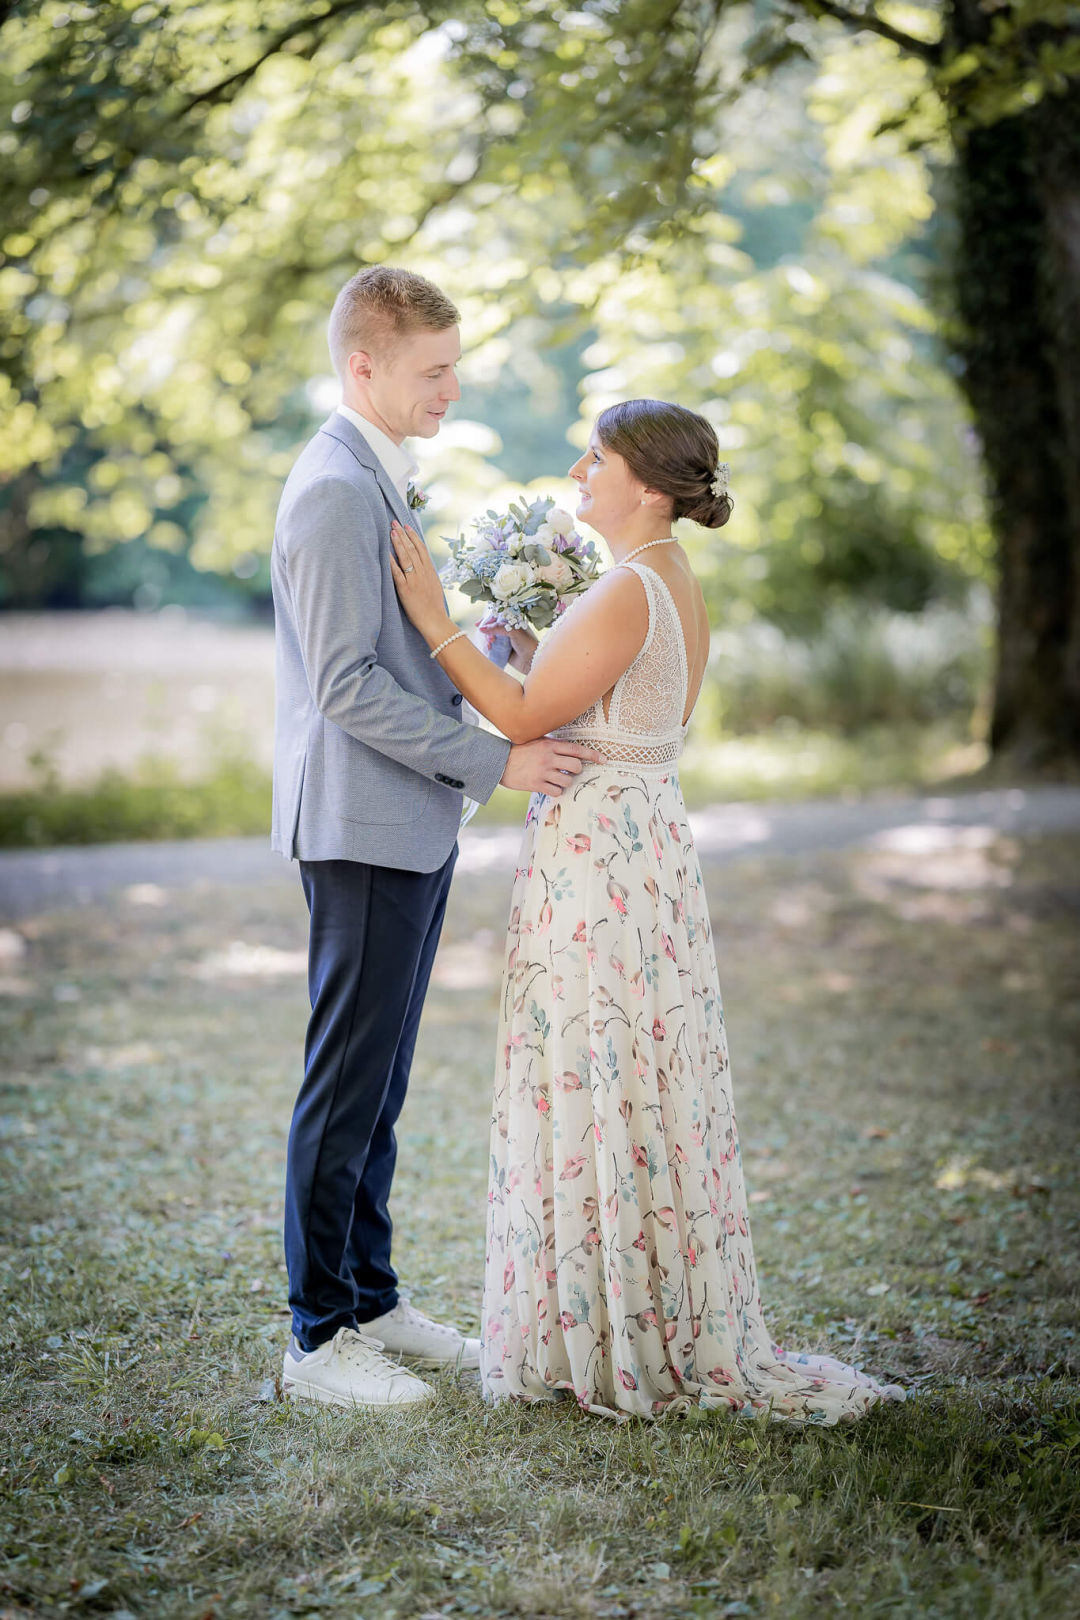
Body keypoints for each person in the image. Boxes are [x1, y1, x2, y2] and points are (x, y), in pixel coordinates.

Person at [390, 397, 906, 1422]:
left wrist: (439, 626)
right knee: (628, 1075)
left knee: (601, 1067)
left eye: (600, 454)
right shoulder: (662, 579)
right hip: (637, 850)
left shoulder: (632, 584)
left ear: (650, 483)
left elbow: (527, 719)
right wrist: (526, 646)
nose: (581, 467)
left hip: (604, 866)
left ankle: (616, 1329)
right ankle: (620, 1312)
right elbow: (594, 704)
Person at [270, 266, 599, 1409]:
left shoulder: (382, 477)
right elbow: (346, 687)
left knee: (384, 1077)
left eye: (455, 364)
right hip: (358, 824)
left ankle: (371, 1297)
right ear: (364, 363)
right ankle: (317, 1340)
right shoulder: (334, 491)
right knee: (345, 1078)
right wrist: (497, 759)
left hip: (407, 819)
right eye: (435, 368)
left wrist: (494, 654)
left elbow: (405, 658)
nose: (454, 387)